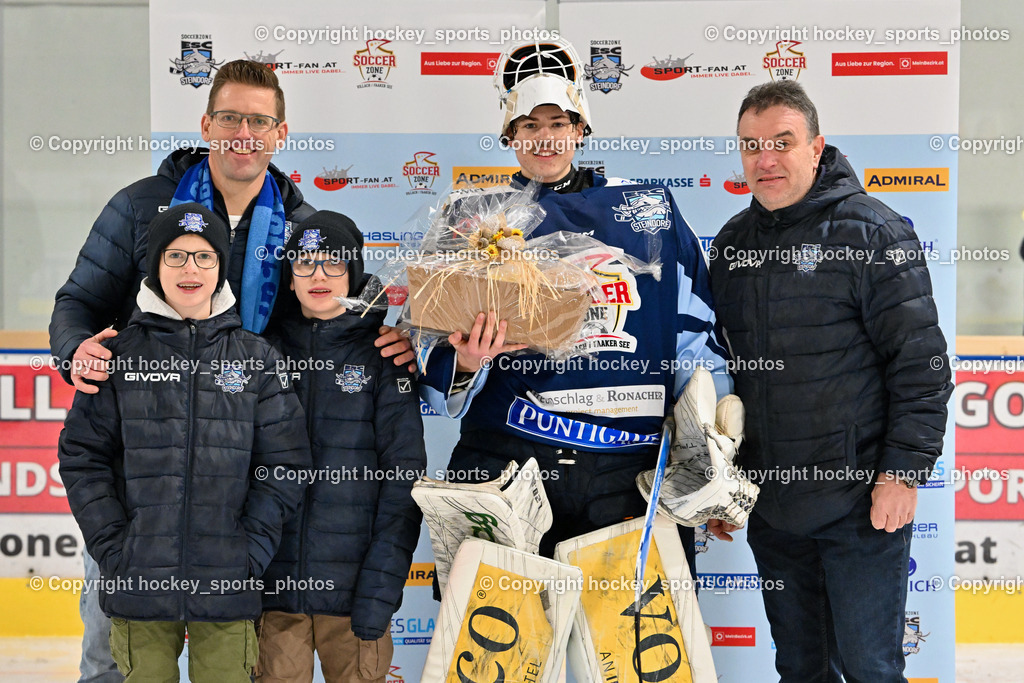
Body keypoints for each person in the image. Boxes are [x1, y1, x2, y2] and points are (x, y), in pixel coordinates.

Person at [48, 59, 414, 683]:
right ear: (206, 123)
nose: (243, 132)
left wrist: (379, 332)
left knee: (236, 662)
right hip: (143, 471)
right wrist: (77, 349)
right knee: (114, 652)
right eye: (230, 118)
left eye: (258, 121)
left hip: (236, 479)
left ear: (280, 134)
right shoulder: (141, 207)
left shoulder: (300, 227)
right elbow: (75, 302)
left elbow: (330, 308)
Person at [417, 38, 729, 567]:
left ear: (581, 128)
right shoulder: (469, 217)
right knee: (502, 647)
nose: (544, 139)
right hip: (507, 466)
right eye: (529, 126)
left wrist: (712, 463)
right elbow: (427, 347)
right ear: (509, 134)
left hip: (626, 477)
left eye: (558, 124)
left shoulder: (647, 208)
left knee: (637, 650)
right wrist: (465, 363)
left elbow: (694, 334)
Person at [707, 80, 953, 682]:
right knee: (800, 668)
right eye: (750, 145)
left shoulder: (874, 233)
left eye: (782, 142)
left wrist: (902, 474)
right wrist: (721, 483)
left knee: (869, 668)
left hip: (860, 507)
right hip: (773, 508)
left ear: (817, 147)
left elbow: (922, 364)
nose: (765, 159)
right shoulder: (733, 245)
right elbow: (721, 377)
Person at [58, 203, 312, 682]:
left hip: (228, 586)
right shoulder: (116, 357)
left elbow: (286, 465)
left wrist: (250, 550)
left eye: (204, 257)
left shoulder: (258, 359)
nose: (190, 269)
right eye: (175, 256)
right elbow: (81, 457)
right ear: (155, 266)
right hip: (138, 584)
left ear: (220, 267)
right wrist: (114, 547)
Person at [256, 212, 425, 683]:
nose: (318, 276)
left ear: (353, 273)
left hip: (354, 599)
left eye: (333, 263)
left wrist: (379, 590)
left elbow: (403, 479)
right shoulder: (259, 354)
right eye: (305, 264)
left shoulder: (386, 355)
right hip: (274, 597)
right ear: (288, 279)